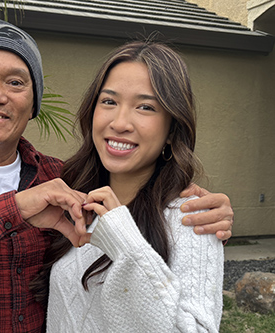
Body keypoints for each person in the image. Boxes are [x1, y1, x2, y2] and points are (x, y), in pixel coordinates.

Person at [0, 20, 231, 333]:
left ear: (34, 103)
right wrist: (7, 211)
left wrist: (198, 207)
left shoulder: (62, 182)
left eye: (16, 82)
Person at [29, 41, 224, 332]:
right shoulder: (71, 201)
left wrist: (124, 240)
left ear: (172, 130)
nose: (120, 123)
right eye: (109, 101)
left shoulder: (190, 222)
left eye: (145, 107)